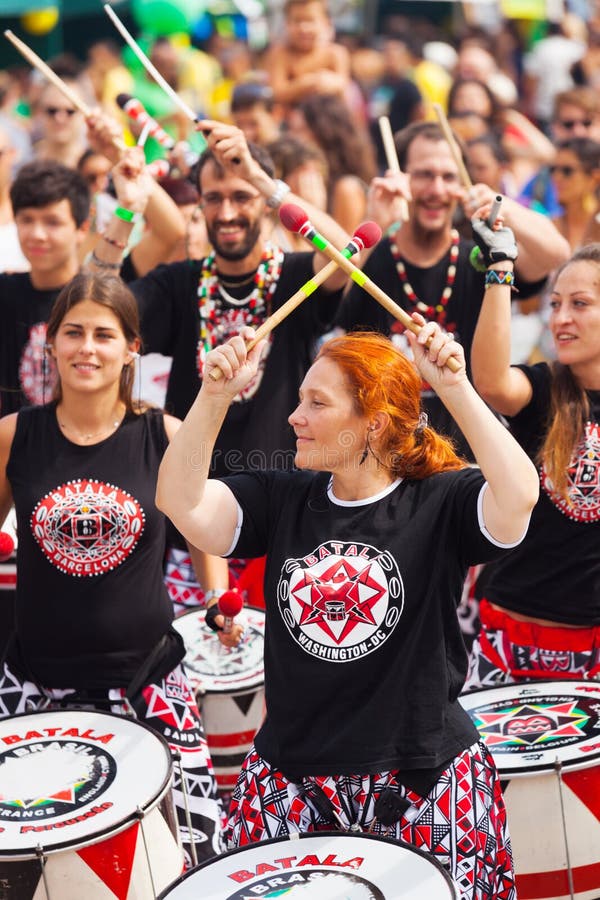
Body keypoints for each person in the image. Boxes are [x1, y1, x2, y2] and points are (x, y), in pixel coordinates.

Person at [155, 221, 540, 898]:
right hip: (294, 774)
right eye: (298, 400)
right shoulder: (283, 496)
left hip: (421, 775)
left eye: (316, 404)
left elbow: (519, 492)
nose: (294, 418)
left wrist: (453, 388)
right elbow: (183, 504)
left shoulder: (440, 500)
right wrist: (213, 395)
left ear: (373, 424)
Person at [0, 272, 222, 865]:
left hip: (151, 685)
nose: (87, 348)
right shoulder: (13, 437)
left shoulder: (166, 436)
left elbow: (205, 530)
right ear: (50, 343)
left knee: (185, 860)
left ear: (131, 349)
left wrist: (217, 598)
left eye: (104, 334)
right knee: (33, 874)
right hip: (35, 688)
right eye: (73, 333)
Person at [337, 120, 571, 456]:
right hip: (382, 459)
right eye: (424, 175)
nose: (437, 189)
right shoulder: (373, 260)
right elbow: (328, 305)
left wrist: (498, 204)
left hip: (465, 460)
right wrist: (373, 224)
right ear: (400, 178)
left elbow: (556, 254)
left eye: (449, 177)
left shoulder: (480, 259)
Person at [466, 237, 600, 688]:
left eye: (579, 304)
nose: (561, 319)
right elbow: (490, 382)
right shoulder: (542, 388)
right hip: (512, 638)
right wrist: (500, 268)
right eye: (555, 303)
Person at [0, 147, 185, 416]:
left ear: (82, 227)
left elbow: (172, 232)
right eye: (27, 220)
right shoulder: (5, 291)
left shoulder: (111, 287)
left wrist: (127, 168)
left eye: (52, 222)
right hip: (17, 448)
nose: (37, 234)